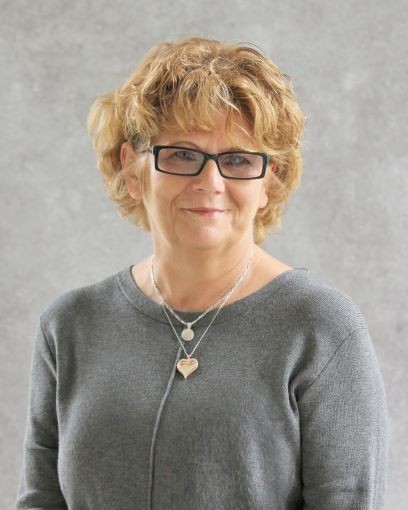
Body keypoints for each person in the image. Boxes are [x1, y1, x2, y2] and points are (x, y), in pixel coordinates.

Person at [16, 36, 388, 509]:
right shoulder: (70, 326)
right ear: (133, 169)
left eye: (238, 159)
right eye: (182, 155)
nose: (209, 182)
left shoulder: (321, 328)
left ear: (269, 181)